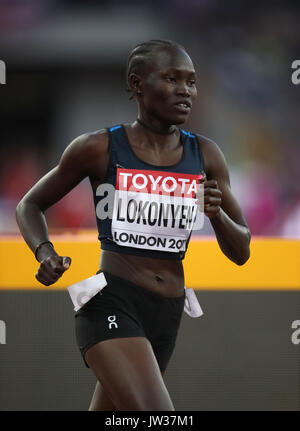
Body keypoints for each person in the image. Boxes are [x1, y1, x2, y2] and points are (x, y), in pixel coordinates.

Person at [16, 39, 251, 411]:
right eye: (172, 79)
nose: (185, 91)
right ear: (138, 84)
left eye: (191, 82)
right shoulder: (98, 148)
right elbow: (30, 204)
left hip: (168, 312)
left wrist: (217, 214)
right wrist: (44, 252)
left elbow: (242, 251)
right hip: (111, 302)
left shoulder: (205, 155)